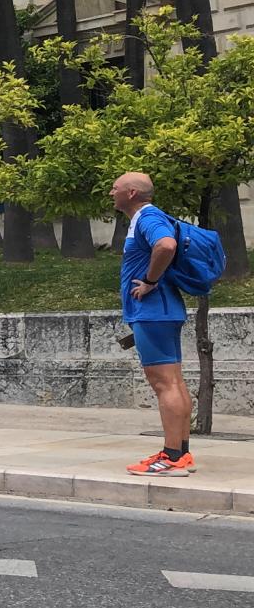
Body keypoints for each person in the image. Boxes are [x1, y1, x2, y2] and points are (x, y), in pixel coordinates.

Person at [112, 173, 196, 477]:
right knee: (174, 382)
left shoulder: (147, 217)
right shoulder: (144, 217)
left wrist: (149, 281)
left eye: (116, 188)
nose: (111, 192)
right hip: (161, 311)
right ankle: (181, 453)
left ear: (132, 193)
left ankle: (171, 457)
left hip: (152, 311)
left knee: (164, 384)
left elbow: (166, 245)